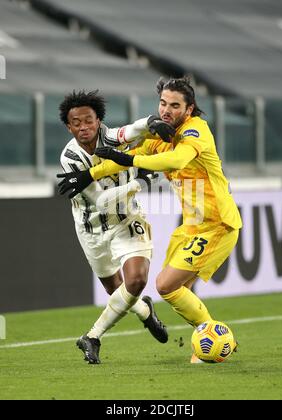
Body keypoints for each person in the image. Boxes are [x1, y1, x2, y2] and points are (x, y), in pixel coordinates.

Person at [58, 78, 242, 363]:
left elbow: (175, 161)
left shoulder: (196, 130)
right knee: (172, 289)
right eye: (163, 104)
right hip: (191, 225)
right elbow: (128, 155)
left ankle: (212, 342)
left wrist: (130, 165)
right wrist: (91, 174)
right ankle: (213, 342)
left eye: (175, 105)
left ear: (189, 108)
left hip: (217, 222)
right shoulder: (160, 136)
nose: (166, 110)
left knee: (166, 285)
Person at [57, 90, 174, 364]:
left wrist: (152, 122)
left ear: (99, 121)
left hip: (127, 219)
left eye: (89, 120)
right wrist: (139, 181)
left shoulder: (110, 138)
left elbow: (132, 130)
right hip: (91, 229)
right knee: (118, 291)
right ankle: (145, 311)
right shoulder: (71, 159)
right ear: (69, 126)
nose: (83, 127)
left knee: (136, 280)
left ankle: (92, 336)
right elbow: (101, 202)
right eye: (77, 123)